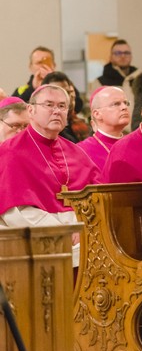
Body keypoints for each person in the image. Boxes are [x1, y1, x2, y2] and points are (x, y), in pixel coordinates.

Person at [0, 85, 100, 267]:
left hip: (83, 234)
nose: (56, 111)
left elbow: (98, 198)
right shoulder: (11, 151)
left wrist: (82, 225)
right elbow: (15, 212)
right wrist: (66, 231)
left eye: (62, 106)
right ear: (31, 110)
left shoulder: (76, 152)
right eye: (49, 105)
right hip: (39, 240)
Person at [13, 46, 83, 113]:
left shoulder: (66, 85)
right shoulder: (21, 91)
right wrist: (33, 88)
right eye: (39, 63)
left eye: (47, 63)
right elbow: (15, 111)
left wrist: (54, 81)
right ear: (30, 66)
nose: (43, 66)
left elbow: (78, 106)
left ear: (54, 65)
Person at [77, 87, 131, 170]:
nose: (124, 107)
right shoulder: (81, 151)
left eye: (126, 103)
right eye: (116, 104)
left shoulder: (134, 145)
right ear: (97, 114)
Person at [41, 71, 91, 143]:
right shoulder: (43, 128)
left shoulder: (82, 125)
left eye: (67, 92)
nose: (65, 96)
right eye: (58, 92)